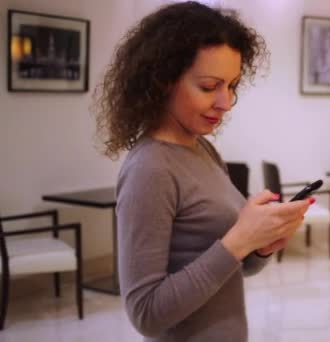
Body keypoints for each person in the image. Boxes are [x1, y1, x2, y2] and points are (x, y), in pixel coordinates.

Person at [93, 2, 312, 341]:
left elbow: (232, 267)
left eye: (232, 86)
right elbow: (146, 314)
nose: (225, 102)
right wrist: (238, 241)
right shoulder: (150, 169)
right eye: (210, 87)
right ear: (164, 80)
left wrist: (261, 245)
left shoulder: (203, 149)